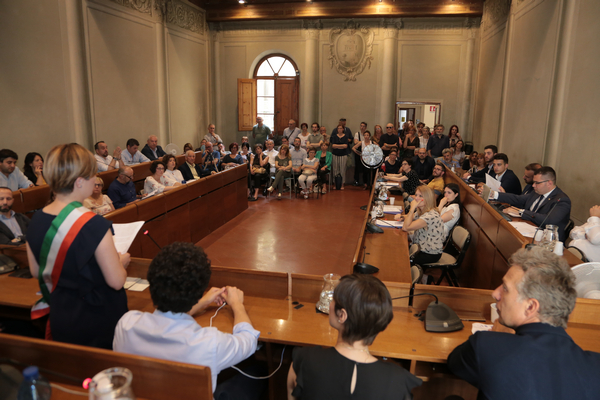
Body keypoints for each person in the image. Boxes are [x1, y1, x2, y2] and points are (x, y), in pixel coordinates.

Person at [447, 247, 600, 400]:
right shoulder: (595, 366)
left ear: (531, 307)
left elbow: (454, 363)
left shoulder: (487, 345)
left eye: (505, 288)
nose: (495, 293)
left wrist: (498, 338)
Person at [113, 242, 260, 397]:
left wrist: (201, 302)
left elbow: (169, 316)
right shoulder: (208, 343)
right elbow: (249, 340)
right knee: (256, 371)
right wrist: (237, 304)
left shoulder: (126, 324)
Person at [26, 143, 129, 349]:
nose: (96, 179)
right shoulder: (93, 223)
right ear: (80, 181)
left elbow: (37, 271)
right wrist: (120, 261)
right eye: (93, 174)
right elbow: (117, 281)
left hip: (62, 313)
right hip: (97, 318)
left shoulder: (36, 219)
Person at [287, 274, 422, 400]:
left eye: (333, 299)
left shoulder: (304, 360)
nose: (330, 302)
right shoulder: (399, 381)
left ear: (342, 315)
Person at [492, 166, 571, 241]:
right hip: (528, 230)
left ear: (549, 183)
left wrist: (521, 212)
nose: (533, 185)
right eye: (533, 182)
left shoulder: (562, 200)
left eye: (537, 183)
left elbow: (549, 220)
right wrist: (494, 194)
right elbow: (518, 199)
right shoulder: (536, 192)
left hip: (546, 240)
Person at [399, 185, 444, 265]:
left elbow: (405, 227)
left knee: (402, 259)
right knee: (398, 248)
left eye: (420, 196)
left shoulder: (430, 216)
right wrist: (402, 217)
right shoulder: (422, 210)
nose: (416, 198)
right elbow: (411, 216)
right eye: (416, 195)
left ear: (427, 198)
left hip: (429, 253)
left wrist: (412, 208)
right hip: (419, 247)